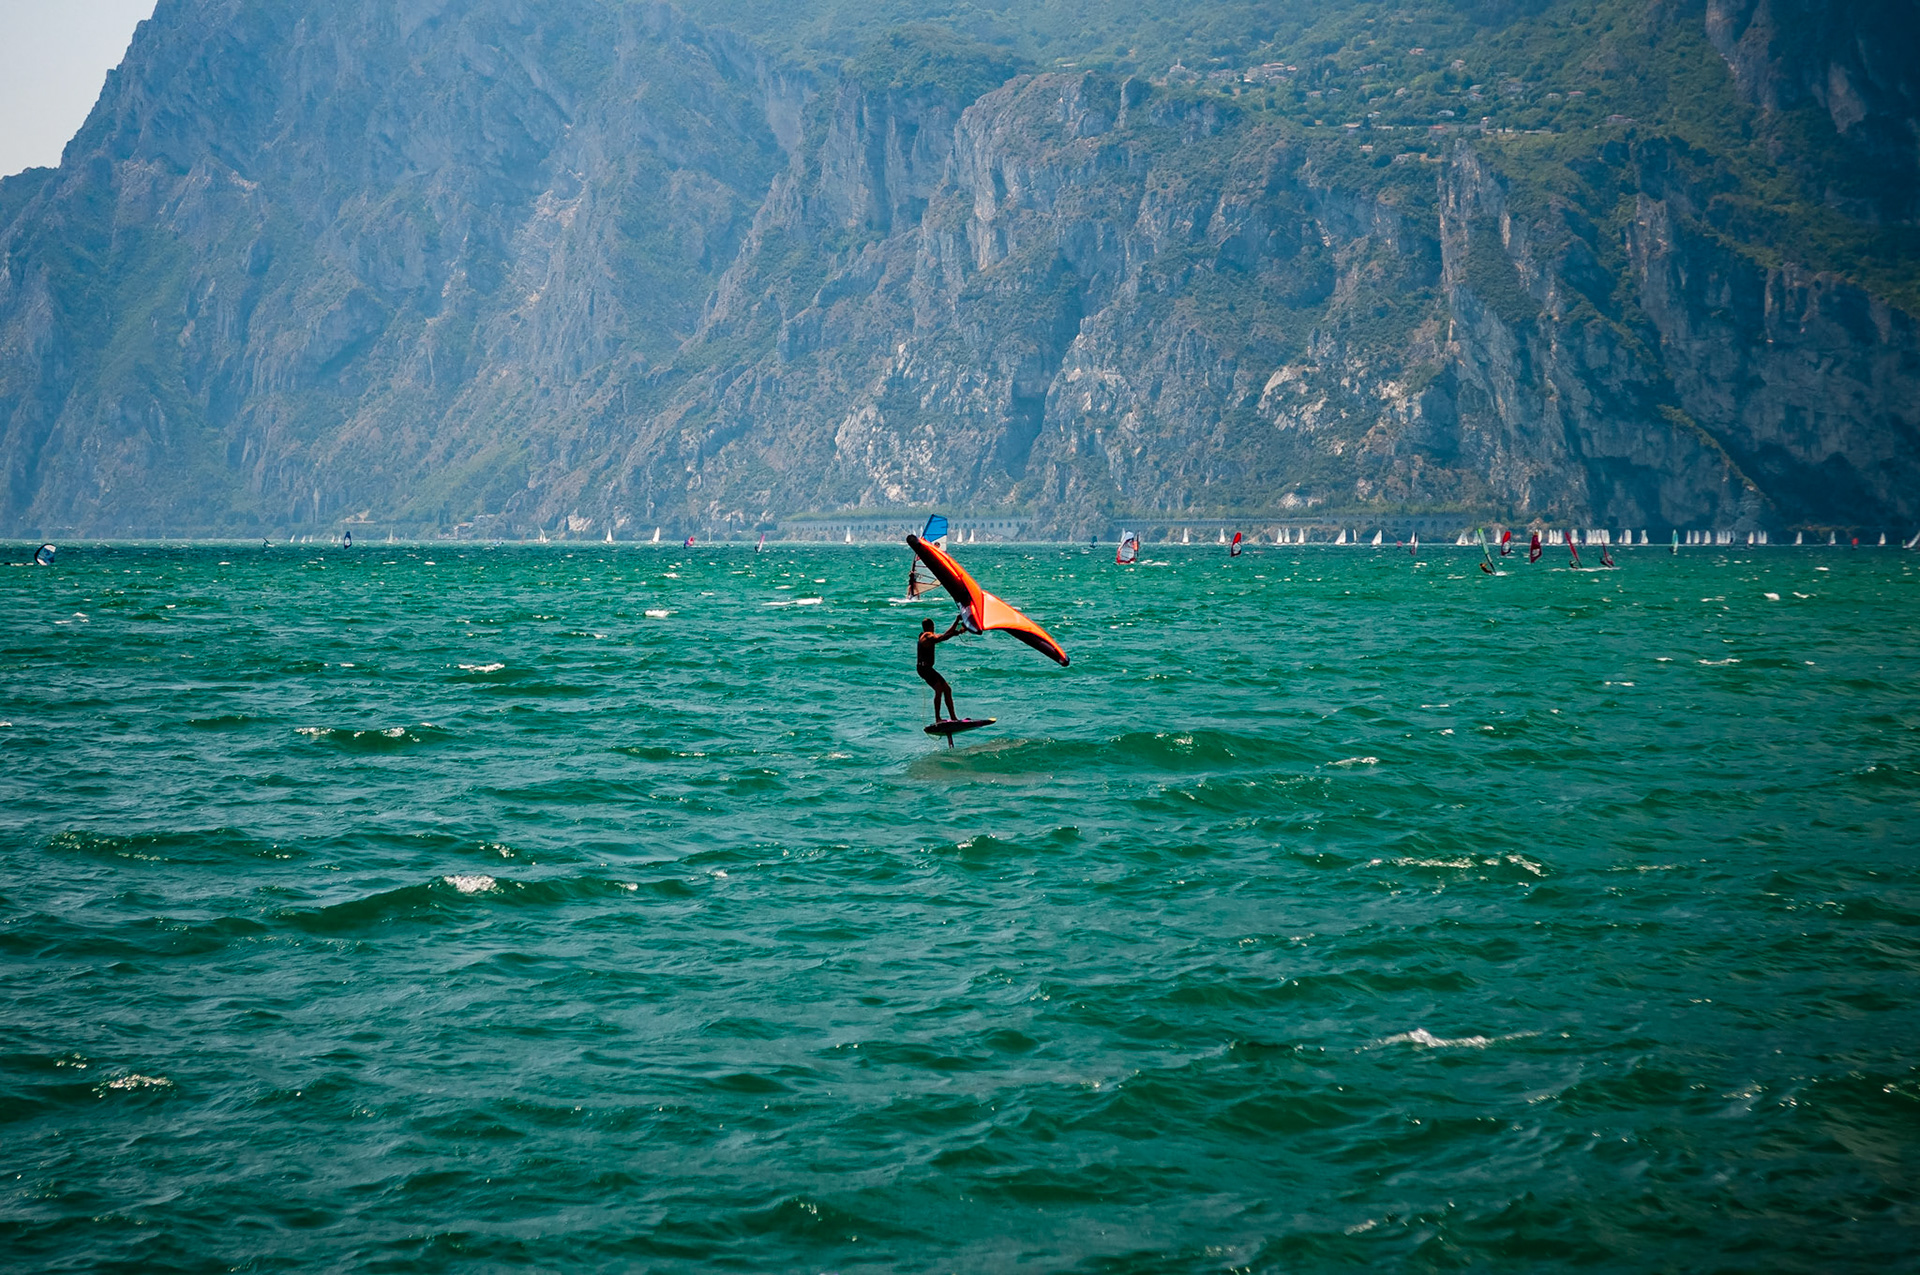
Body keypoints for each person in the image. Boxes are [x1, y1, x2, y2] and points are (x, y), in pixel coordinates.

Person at [918, 616, 964, 721]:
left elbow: (944, 635)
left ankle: (953, 717)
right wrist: (955, 627)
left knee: (947, 689)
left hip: (927, 668)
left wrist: (957, 628)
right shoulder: (927, 636)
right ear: (931, 626)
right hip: (924, 669)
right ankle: (938, 718)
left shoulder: (925, 635)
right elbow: (942, 638)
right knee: (938, 689)